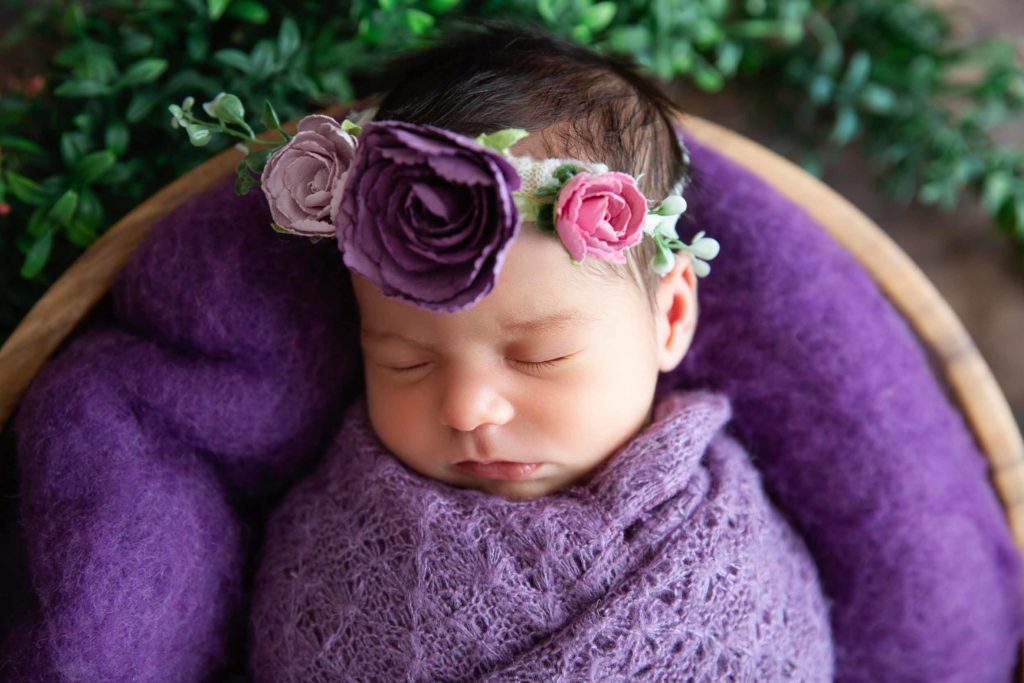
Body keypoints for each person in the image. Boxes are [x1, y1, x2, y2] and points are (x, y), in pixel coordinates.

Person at [247, 20, 834, 681]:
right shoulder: (337, 543)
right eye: (405, 360)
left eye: (539, 356)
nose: (467, 408)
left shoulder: (724, 541)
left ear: (668, 318)